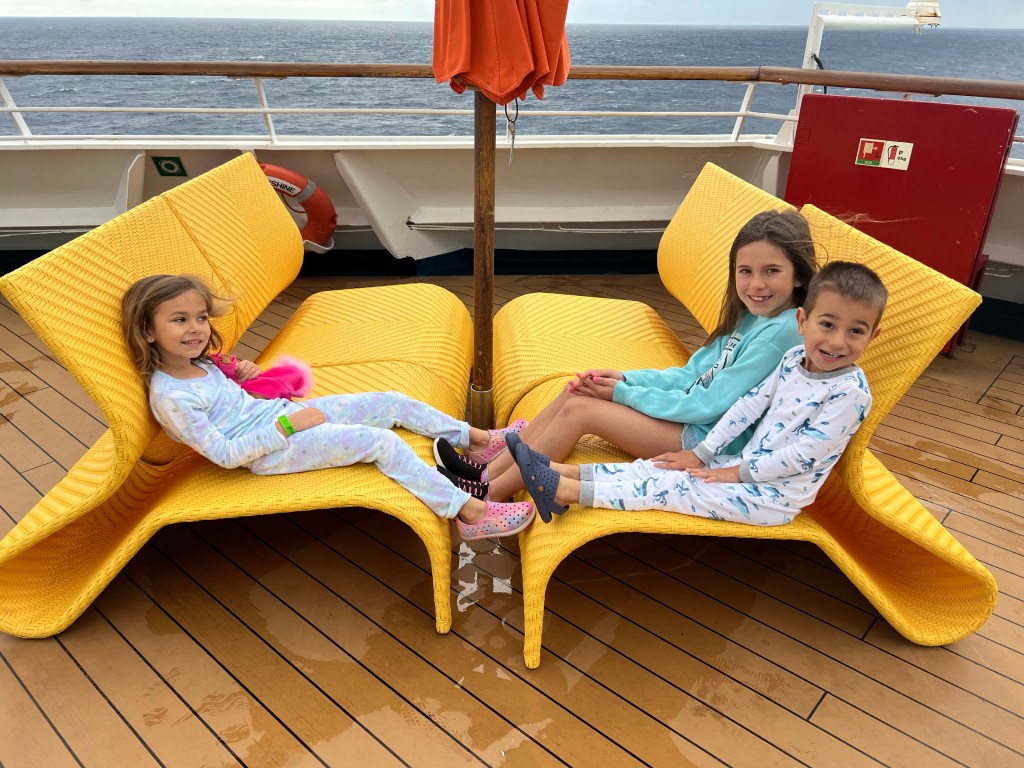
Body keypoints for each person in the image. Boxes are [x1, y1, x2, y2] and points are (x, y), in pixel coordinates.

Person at [434, 209, 819, 514]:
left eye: (772, 271)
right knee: (578, 390)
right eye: (745, 271)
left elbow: (709, 404)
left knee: (581, 410)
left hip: (709, 444)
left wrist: (622, 394)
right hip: (692, 423)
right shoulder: (751, 317)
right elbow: (690, 375)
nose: (756, 284)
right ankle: (486, 472)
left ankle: (487, 498)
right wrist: (625, 379)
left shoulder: (784, 331)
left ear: (799, 276)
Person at [120, 273, 535, 541]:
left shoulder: (200, 364)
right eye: (179, 320)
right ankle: (469, 513)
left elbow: (231, 402)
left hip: (278, 417)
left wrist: (242, 375)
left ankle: (478, 441)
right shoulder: (172, 398)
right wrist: (288, 426)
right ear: (147, 331)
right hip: (270, 450)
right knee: (382, 443)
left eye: (200, 317)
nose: (195, 328)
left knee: (390, 401)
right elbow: (226, 454)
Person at [505, 260, 886, 526]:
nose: (837, 341)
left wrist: (735, 472)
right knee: (659, 469)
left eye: (855, 331)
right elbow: (747, 406)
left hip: (772, 497)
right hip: (739, 465)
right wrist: (702, 453)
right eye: (827, 324)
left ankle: (565, 492)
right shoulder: (792, 360)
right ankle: (557, 472)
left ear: (873, 336)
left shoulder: (849, 394)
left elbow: (803, 456)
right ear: (803, 322)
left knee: (673, 488)